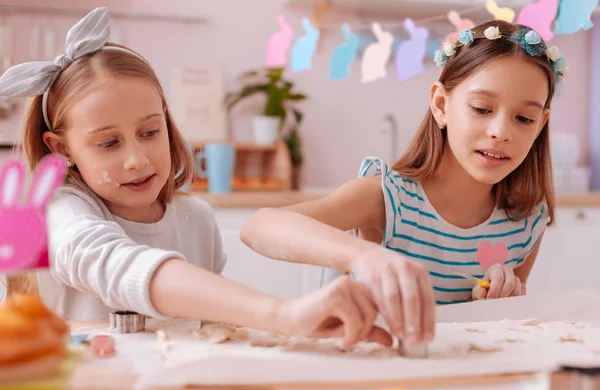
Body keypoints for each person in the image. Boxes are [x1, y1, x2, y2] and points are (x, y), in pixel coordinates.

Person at [0, 8, 392, 348]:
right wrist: (283, 314)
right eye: (108, 143)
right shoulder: (61, 213)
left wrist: (290, 328)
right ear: (62, 149)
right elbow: (116, 263)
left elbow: (210, 327)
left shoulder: (198, 219)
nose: (136, 160)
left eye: (150, 132)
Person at [241, 20, 567, 346]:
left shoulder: (525, 224)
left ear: (540, 125)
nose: (502, 132)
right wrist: (361, 257)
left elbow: (491, 336)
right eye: (482, 108)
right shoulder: (387, 198)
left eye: (524, 118)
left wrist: (500, 305)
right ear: (441, 105)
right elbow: (258, 227)